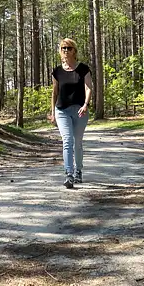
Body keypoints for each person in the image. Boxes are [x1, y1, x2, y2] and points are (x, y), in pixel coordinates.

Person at [49, 38, 93, 189]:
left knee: (77, 142)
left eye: (68, 48)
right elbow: (54, 93)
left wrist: (86, 104)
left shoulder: (83, 69)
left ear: (74, 50)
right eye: (63, 48)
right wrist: (52, 112)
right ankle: (69, 173)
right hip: (62, 110)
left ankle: (78, 170)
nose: (65, 51)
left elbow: (88, 88)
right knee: (67, 140)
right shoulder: (57, 71)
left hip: (80, 110)